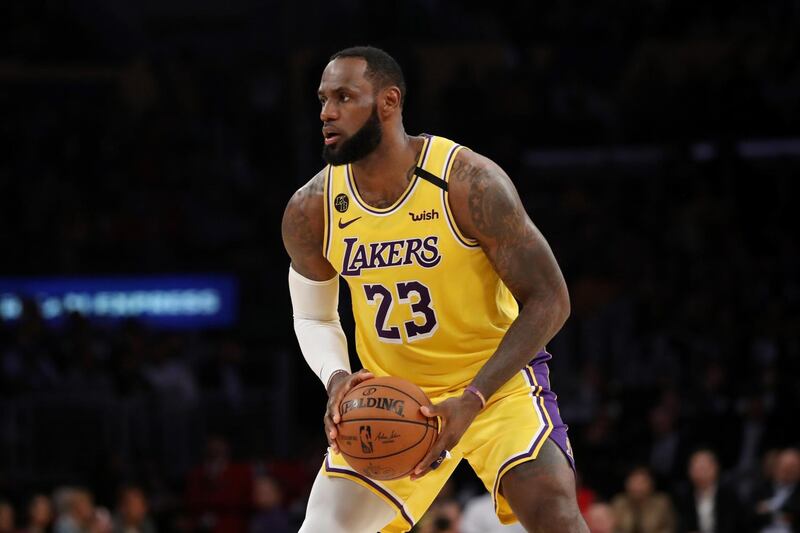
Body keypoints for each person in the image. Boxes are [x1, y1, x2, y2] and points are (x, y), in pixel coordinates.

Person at [282, 45, 586, 533]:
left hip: (496, 386)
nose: (327, 113)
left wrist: (473, 399)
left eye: (344, 97)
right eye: (322, 99)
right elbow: (314, 317)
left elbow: (551, 299)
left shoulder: (468, 183)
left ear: (389, 102)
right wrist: (337, 378)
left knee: (555, 516)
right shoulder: (311, 209)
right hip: (393, 398)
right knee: (323, 528)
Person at [675, 449, 741, 533]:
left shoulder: (729, 496)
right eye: (694, 468)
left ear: (715, 468)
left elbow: (734, 526)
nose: (698, 473)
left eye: (702, 468)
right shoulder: (683, 497)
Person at [610, 466, 676, 533]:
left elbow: (669, 528)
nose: (637, 486)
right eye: (634, 481)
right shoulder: (619, 502)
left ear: (651, 484)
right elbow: (612, 527)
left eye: (642, 482)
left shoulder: (662, 503)